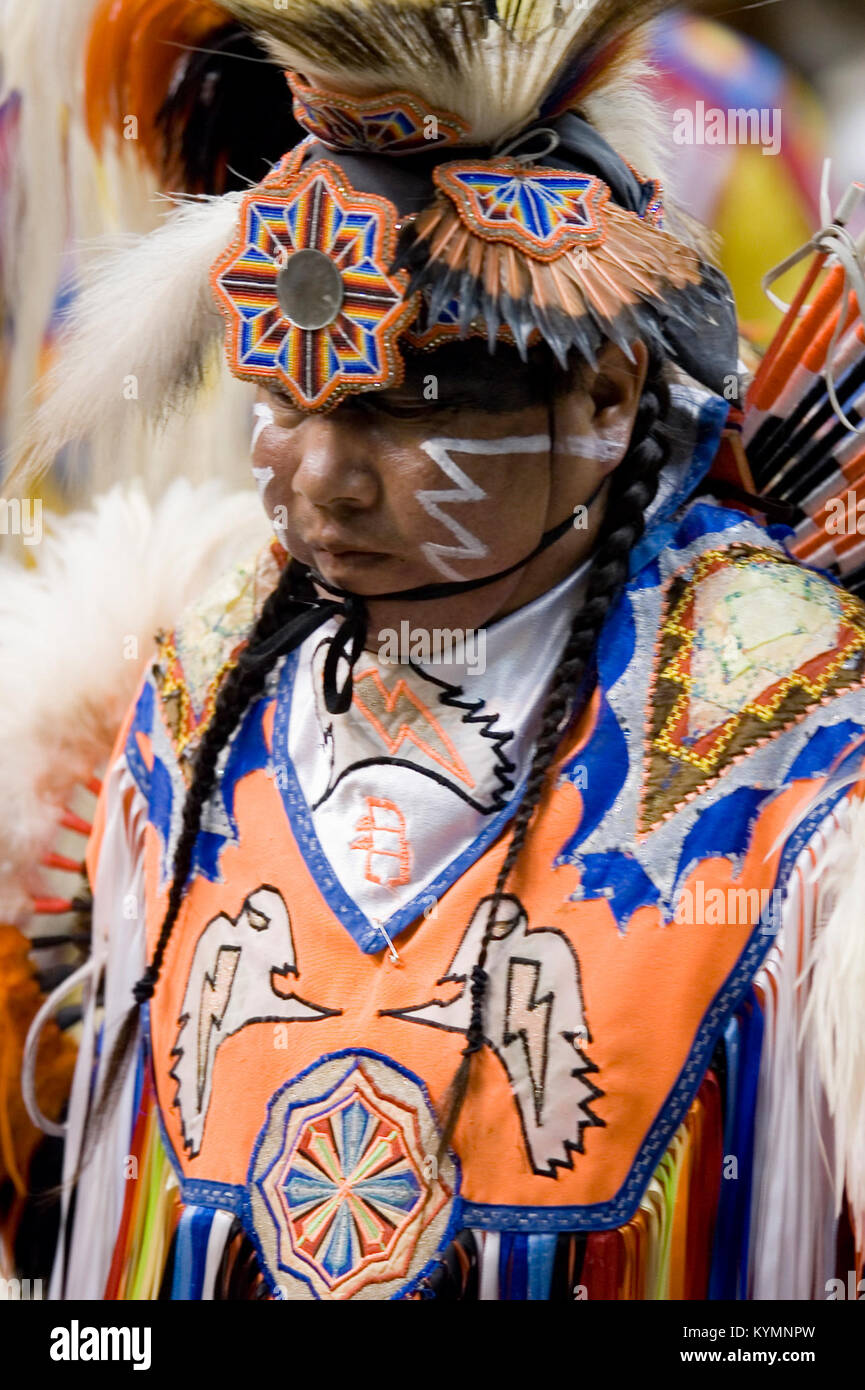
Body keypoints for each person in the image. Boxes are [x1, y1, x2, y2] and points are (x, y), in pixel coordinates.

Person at [4, 0, 865, 1302]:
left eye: (406, 405)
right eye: (285, 397)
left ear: (604, 396)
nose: (323, 479)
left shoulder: (802, 766)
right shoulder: (169, 689)